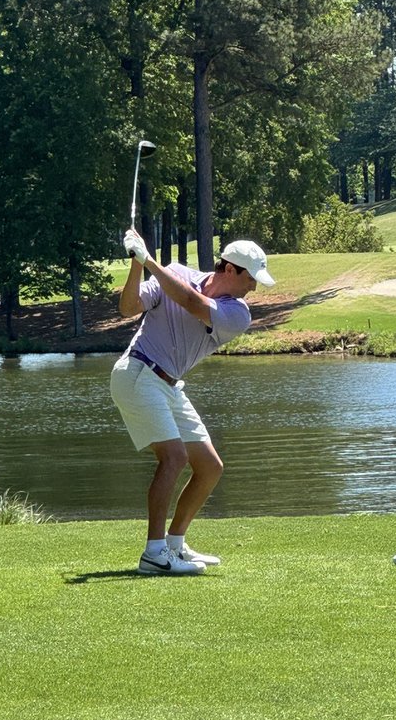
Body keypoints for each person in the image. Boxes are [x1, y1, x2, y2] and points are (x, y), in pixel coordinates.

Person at [110, 228, 275, 576]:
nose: (254, 287)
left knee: (210, 467)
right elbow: (127, 308)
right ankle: (154, 553)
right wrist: (137, 264)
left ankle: (174, 545)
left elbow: (192, 303)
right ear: (230, 269)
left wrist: (149, 260)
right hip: (138, 372)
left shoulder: (238, 313)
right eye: (251, 278)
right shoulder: (177, 273)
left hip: (168, 383)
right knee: (174, 457)